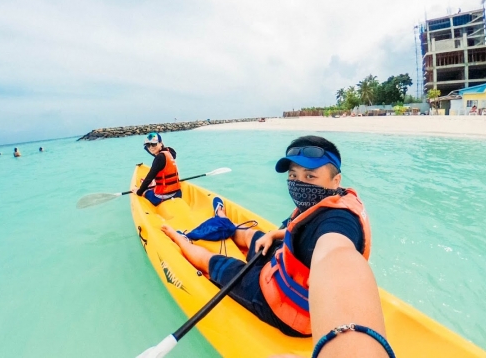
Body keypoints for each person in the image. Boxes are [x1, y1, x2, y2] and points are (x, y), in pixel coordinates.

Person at [161, 136, 391, 357]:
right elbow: (300, 229)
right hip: (284, 264)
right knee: (256, 236)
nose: (299, 183)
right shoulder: (333, 198)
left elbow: (337, 256)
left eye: (310, 177)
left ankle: (179, 238)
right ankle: (224, 220)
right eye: (293, 175)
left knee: (216, 263)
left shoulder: (338, 224)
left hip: (282, 306)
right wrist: (273, 234)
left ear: (335, 180)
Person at [132, 132, 182, 206]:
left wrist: (139, 192)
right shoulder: (169, 153)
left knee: (146, 190)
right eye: (148, 145)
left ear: (160, 143)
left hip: (163, 197)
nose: (151, 147)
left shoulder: (159, 158)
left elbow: (149, 178)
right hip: (178, 193)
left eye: (154, 144)